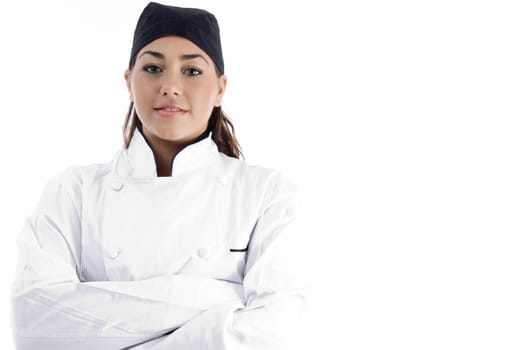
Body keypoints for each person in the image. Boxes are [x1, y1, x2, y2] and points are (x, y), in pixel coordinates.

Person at [10, 2, 307, 349]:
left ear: (221, 89)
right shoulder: (73, 193)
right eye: (153, 67)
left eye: (192, 71)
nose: (171, 86)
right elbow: (34, 324)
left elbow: (276, 332)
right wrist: (218, 299)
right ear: (128, 81)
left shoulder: (267, 195)